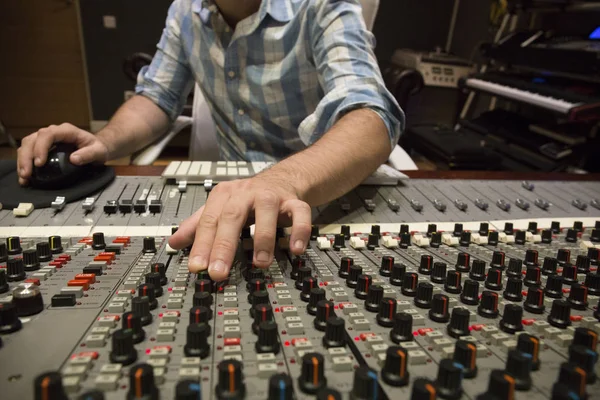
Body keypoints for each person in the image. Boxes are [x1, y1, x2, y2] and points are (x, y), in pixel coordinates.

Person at [16, 0, 404, 281]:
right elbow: (157, 97)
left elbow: (371, 115)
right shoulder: (184, 11)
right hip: (229, 195)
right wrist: (100, 143)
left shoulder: (323, 5)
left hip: (315, 190)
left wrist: (279, 182)